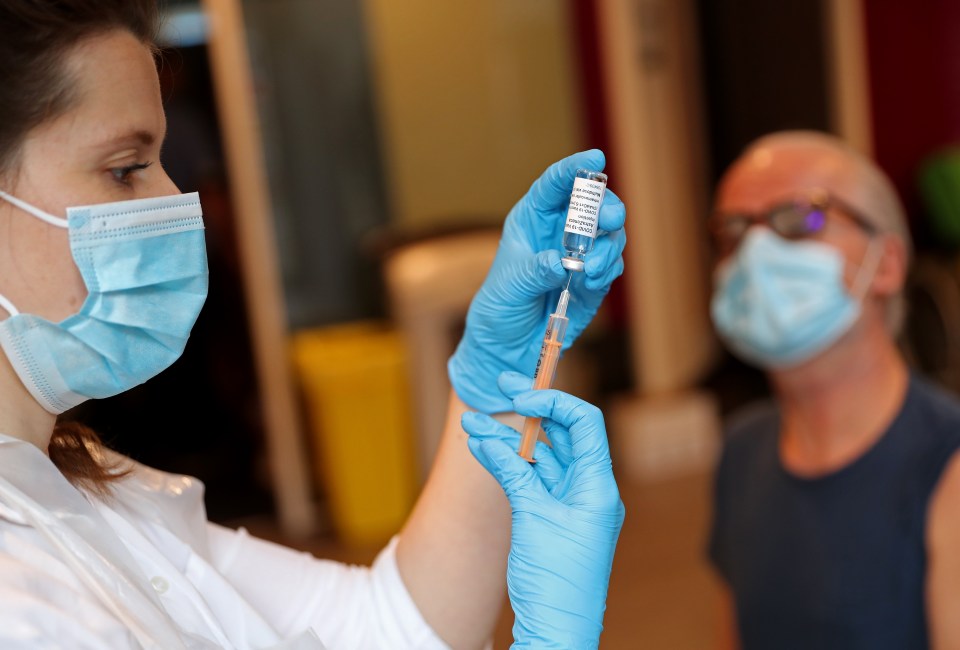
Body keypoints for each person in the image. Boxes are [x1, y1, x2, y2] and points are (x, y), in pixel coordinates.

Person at [0, 2, 626, 648]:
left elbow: (386, 631)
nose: (171, 201)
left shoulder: (86, 489)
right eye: (125, 169)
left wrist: (496, 379)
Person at [706, 129, 960, 650]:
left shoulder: (946, 467)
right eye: (733, 232)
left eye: (801, 219)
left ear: (886, 263)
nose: (756, 252)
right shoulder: (742, 450)